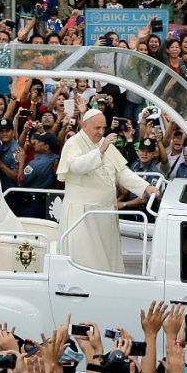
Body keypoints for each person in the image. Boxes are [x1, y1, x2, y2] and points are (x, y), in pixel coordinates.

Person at [56, 108, 160, 272]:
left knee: (107, 259)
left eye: (103, 128)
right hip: (83, 217)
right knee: (88, 262)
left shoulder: (103, 142)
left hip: (104, 214)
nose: (101, 132)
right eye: (97, 128)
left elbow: (122, 172)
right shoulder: (73, 143)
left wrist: (146, 187)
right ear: (84, 125)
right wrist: (100, 151)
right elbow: (76, 167)